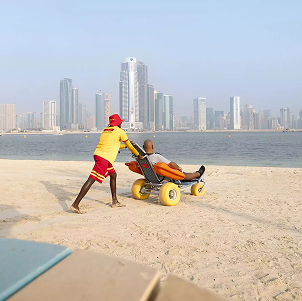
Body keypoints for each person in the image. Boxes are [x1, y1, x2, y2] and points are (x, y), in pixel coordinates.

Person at [70, 114, 143, 214]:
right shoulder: (120, 131)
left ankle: (114, 201)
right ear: (118, 123)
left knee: (113, 175)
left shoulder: (106, 130)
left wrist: (123, 147)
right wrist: (138, 155)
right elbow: (130, 146)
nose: (121, 123)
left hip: (98, 155)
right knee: (91, 179)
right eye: (121, 122)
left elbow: (112, 144)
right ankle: (75, 204)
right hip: (104, 158)